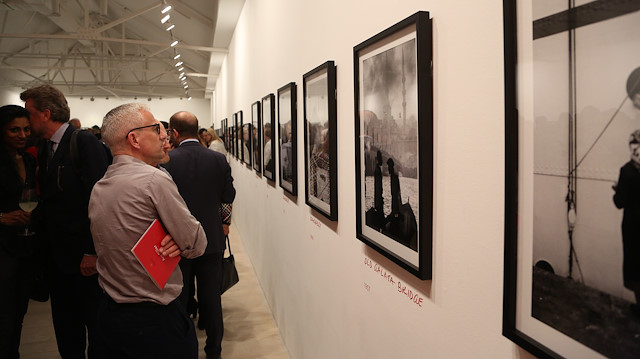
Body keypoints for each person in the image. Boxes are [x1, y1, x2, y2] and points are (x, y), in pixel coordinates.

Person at [88, 103, 207, 358]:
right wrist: (177, 237)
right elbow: (196, 244)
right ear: (134, 139)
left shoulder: (100, 186)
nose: (164, 134)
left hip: (110, 315)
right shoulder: (153, 180)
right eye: (156, 128)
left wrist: (177, 237)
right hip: (154, 321)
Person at [20, 85, 110, 359]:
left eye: (30, 114)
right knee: (66, 329)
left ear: (45, 114)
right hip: (57, 261)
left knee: (95, 329)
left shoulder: (82, 142)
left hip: (84, 262)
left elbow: (99, 201)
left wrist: (91, 251)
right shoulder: (46, 148)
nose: (26, 121)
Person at [162, 111, 235, 359]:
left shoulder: (167, 161)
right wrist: (225, 223)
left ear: (174, 132)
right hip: (211, 239)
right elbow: (228, 196)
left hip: (176, 242)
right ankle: (214, 351)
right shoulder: (217, 159)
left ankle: (184, 350)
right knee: (212, 299)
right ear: (198, 130)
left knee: (179, 299)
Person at [0, 105, 37, 359]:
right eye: (14, 130)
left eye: (26, 129)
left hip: (24, 246)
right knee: (3, 314)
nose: (22, 135)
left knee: (19, 312)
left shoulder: (29, 159)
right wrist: (1, 218)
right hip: (1, 247)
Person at [613, 129, 640, 317]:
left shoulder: (626, 170)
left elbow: (619, 202)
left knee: (635, 265)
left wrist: (617, 189)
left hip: (632, 227)